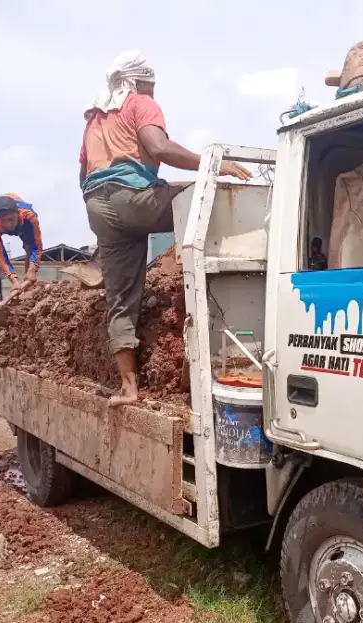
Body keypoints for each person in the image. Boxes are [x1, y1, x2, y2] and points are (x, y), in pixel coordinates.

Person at [80, 50, 253, 406]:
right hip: (134, 199)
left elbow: (83, 174)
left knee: (120, 300)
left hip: (97, 205)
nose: (154, 92)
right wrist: (214, 164)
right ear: (140, 81)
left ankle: (128, 388)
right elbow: (160, 147)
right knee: (206, 197)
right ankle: (211, 311)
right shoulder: (140, 103)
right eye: (152, 85)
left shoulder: (94, 119)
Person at [0, 194, 44, 311]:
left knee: (29, 246)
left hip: (22, 223)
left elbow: (36, 246)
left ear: (17, 214)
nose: (7, 224)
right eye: (3, 220)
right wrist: (13, 280)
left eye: (10, 219)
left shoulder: (29, 216)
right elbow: (1, 253)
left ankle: (28, 287)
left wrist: (33, 270)